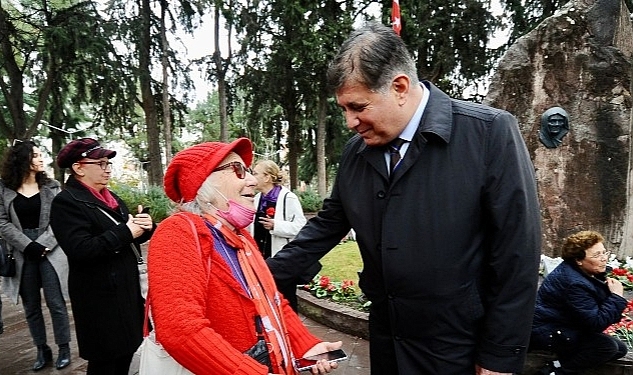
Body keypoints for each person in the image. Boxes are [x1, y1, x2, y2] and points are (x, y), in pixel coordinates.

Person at [266, 22, 542, 375]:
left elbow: (517, 251)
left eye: (358, 106)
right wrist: (255, 276)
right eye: (343, 110)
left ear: (399, 87)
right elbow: (326, 226)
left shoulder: (488, 133)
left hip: (459, 347)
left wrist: (499, 355)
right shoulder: (357, 153)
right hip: (387, 339)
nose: (350, 122)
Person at [148, 138, 342, 374]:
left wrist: (306, 345)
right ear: (203, 183)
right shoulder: (179, 232)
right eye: (238, 170)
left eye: (249, 171)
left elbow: (273, 301)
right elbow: (181, 329)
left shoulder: (240, 237)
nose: (252, 180)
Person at [49, 138, 155, 375]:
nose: (107, 169)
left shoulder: (111, 197)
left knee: (127, 352)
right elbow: (80, 249)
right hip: (98, 298)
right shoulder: (66, 202)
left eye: (109, 164)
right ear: (78, 167)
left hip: (126, 291)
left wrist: (146, 227)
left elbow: (129, 235)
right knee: (105, 360)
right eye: (101, 163)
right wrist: (126, 231)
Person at [0, 139, 71, 371]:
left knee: (56, 302)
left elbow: (60, 219)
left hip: (50, 251)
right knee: (31, 306)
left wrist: (43, 245)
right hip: (22, 254)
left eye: (41, 155)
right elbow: (2, 222)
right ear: (23, 160)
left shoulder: (52, 186)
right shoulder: (3, 189)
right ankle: (42, 349)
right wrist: (27, 246)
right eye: (36, 155)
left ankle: (64, 348)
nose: (41, 159)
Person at [530, 231, 628, 374]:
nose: (604, 259)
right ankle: (553, 371)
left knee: (619, 349)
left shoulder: (583, 273)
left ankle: (560, 362)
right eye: (596, 255)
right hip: (545, 331)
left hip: (563, 325)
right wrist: (616, 297)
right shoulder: (574, 283)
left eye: (604, 253)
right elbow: (596, 323)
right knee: (606, 347)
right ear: (578, 260)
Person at [250, 159, 311, 311]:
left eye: (255, 173)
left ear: (267, 177)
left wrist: (275, 226)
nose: (251, 177)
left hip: (282, 259)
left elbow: (301, 226)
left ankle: (292, 332)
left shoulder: (288, 198)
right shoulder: (257, 199)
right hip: (261, 258)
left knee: (286, 299)